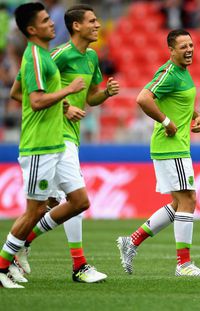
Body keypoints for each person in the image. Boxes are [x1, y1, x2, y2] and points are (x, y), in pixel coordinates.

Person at [12, 4, 120, 284]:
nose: (98, 25)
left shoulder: (92, 57)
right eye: (92, 21)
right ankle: (79, 265)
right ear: (76, 26)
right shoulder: (57, 55)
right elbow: (19, 92)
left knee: (66, 203)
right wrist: (63, 108)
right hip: (54, 136)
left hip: (70, 136)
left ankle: (21, 243)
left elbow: (90, 97)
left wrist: (105, 94)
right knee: (75, 200)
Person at [0, 2, 86, 288]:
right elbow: (34, 101)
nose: (53, 23)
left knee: (79, 201)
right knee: (34, 210)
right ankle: (2, 266)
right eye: (46, 20)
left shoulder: (44, 56)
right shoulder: (35, 57)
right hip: (39, 146)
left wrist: (61, 106)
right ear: (32, 29)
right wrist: (69, 91)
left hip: (55, 144)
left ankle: (15, 254)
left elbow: (17, 91)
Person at [116, 29, 200, 277]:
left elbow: (181, 101)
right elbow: (143, 98)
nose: (189, 50)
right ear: (171, 50)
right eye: (183, 47)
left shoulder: (183, 73)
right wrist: (166, 121)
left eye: (191, 45)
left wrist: (197, 115)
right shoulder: (169, 72)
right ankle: (184, 264)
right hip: (171, 146)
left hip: (177, 146)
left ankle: (132, 241)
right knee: (188, 199)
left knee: (179, 202)